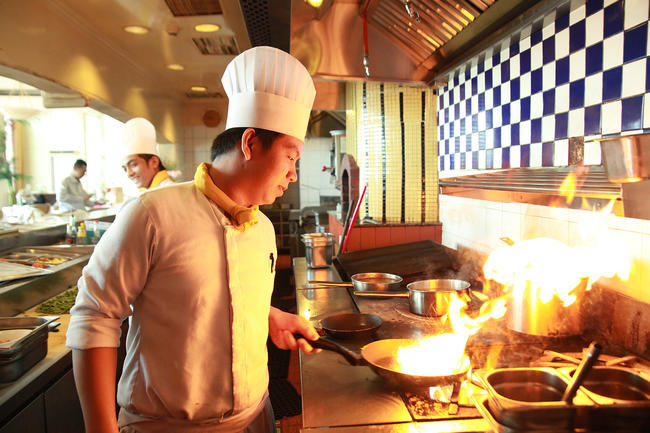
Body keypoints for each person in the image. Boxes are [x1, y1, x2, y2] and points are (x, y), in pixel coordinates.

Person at [66, 45, 320, 433]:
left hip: (257, 419)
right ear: (250, 144)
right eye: (291, 156)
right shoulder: (151, 214)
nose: (293, 174)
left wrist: (266, 316)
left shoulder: (263, 229)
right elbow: (94, 316)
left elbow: (204, 301)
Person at [119, 117, 174, 190]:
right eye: (125, 169)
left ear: (154, 162)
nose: (129, 174)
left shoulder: (168, 191)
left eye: (133, 165)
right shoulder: (151, 192)